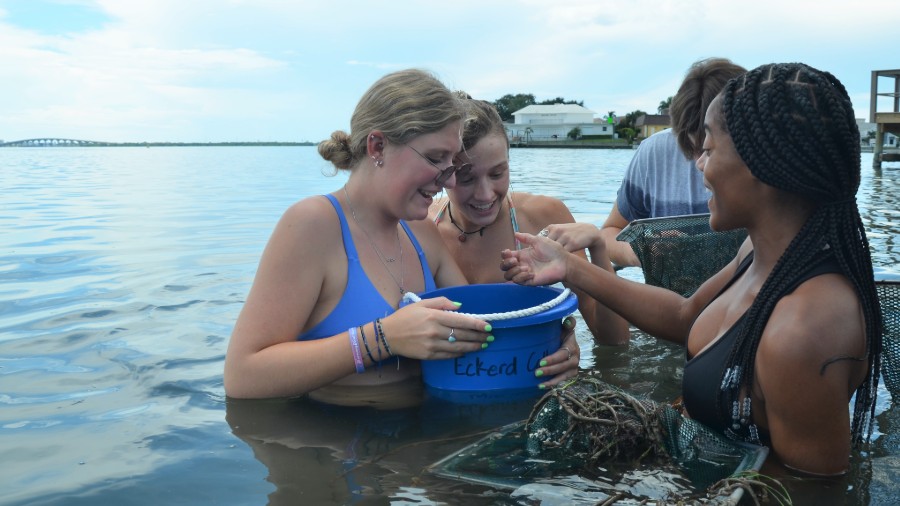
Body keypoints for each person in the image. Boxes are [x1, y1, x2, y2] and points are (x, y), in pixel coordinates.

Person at [500, 63, 882, 476]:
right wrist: (569, 267)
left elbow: (812, 488)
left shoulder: (802, 332)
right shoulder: (760, 252)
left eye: (710, 150)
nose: (699, 165)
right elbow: (685, 316)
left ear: (762, 166)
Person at [224, 69, 578, 402]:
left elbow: (480, 331)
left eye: (452, 164)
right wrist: (382, 339)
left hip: (430, 436)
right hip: (336, 437)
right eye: (436, 158)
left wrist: (554, 345)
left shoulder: (421, 232)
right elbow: (242, 377)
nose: (449, 180)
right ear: (377, 146)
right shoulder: (312, 225)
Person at [429, 96, 630, 346]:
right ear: (444, 173)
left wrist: (598, 247)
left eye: (497, 173)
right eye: (466, 178)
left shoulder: (544, 219)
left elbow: (616, 340)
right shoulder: (421, 227)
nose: (485, 194)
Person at [602, 58, 747, 267]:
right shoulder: (653, 152)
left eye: (709, 149)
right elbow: (610, 232)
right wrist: (644, 253)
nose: (700, 163)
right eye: (693, 147)